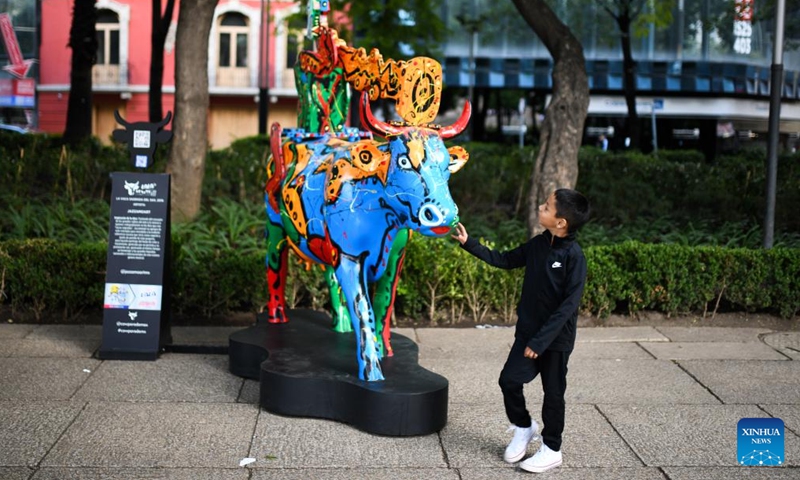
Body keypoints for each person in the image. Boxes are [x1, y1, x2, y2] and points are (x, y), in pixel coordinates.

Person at [451, 189, 590, 473]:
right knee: (509, 380)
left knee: (553, 394)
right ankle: (524, 426)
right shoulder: (539, 244)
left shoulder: (574, 257)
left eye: (547, 207)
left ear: (561, 222)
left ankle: (552, 449)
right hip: (529, 334)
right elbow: (504, 260)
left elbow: (567, 308)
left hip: (556, 341)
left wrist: (540, 342)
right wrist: (469, 243)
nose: (541, 207)